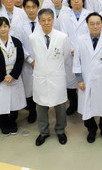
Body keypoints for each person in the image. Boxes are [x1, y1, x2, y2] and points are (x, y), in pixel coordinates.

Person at [73, 13, 102, 143]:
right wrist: (79, 79)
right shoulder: (81, 40)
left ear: (101, 24)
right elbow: (77, 61)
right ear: (87, 25)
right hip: (86, 80)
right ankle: (91, 130)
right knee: (87, 107)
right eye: (92, 23)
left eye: (98, 23)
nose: (95, 26)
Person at [31, 8, 71, 146]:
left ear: (53, 20)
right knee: (41, 107)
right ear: (39, 21)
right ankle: (43, 132)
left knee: (60, 106)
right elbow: (33, 55)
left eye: (49, 20)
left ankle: (60, 130)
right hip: (41, 76)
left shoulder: (62, 37)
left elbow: (66, 56)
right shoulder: (33, 37)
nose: (46, 23)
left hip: (56, 76)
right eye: (43, 20)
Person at [0, 17, 26, 135]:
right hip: (0, 79)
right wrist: (3, 77)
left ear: (9, 27)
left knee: (14, 102)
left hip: (13, 77)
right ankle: (3, 123)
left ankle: (13, 122)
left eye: (5, 26)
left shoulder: (16, 42)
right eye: (0, 27)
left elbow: (20, 60)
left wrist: (13, 75)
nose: (3, 29)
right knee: (1, 103)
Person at [58, 0, 91, 115]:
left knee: (85, 79)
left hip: (86, 53)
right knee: (70, 81)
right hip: (69, 53)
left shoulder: (89, 15)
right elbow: (63, 35)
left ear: (83, 0)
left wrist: (80, 50)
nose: (76, 1)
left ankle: (86, 104)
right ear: (70, 2)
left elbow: (91, 34)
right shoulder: (64, 16)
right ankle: (73, 104)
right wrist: (72, 50)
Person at [18, 0, 40, 123]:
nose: (31, 10)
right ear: (24, 8)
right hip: (27, 63)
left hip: (42, 62)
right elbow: (19, 45)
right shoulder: (19, 25)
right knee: (28, 89)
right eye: (28, 7)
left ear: (38, 8)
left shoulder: (43, 22)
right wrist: (30, 60)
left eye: (33, 7)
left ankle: (42, 111)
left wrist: (39, 60)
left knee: (41, 88)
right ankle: (32, 111)